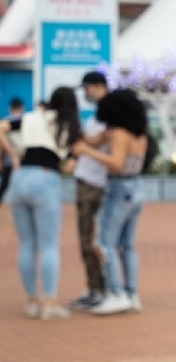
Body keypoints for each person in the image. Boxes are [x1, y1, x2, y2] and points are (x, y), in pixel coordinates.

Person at [0, 88, 83, 320]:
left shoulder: (30, 116)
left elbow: (1, 128)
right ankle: (49, 302)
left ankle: (31, 301)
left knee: (26, 245)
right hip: (46, 178)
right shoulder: (71, 126)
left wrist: (13, 155)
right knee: (48, 245)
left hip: (20, 178)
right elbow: (68, 168)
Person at [70, 89, 150, 316]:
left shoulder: (118, 134)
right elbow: (94, 139)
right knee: (127, 245)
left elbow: (115, 163)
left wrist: (86, 152)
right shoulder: (138, 134)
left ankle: (115, 294)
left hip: (119, 188)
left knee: (105, 243)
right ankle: (132, 293)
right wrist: (87, 140)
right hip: (136, 188)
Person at [69, 71, 111, 311]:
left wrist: (85, 145)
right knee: (85, 239)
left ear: (97, 86)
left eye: (87, 89)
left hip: (97, 183)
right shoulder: (96, 115)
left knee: (94, 241)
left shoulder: (111, 115)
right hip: (85, 179)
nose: (86, 94)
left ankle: (103, 288)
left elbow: (96, 143)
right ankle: (93, 287)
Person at [0, 97, 24, 203]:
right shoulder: (26, 121)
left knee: (4, 186)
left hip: (8, 161)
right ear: (22, 108)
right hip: (24, 161)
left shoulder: (5, 122)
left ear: (10, 108)